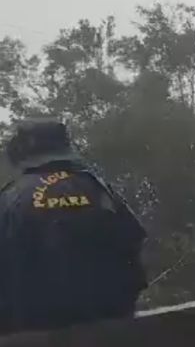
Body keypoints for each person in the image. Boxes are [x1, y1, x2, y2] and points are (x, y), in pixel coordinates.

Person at [0, 118, 146, 334]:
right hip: (112, 336)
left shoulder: (10, 199)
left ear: (21, 155)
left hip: (33, 346)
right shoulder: (101, 189)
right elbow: (135, 243)